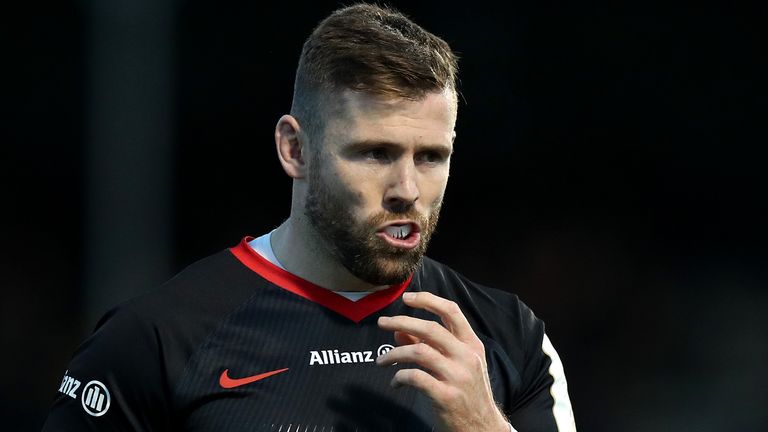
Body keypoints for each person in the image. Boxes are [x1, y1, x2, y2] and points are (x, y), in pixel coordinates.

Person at [42, 3, 577, 431]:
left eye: (431, 157)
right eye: (374, 153)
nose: (407, 190)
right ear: (295, 149)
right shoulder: (157, 340)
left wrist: (482, 426)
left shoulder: (510, 340)